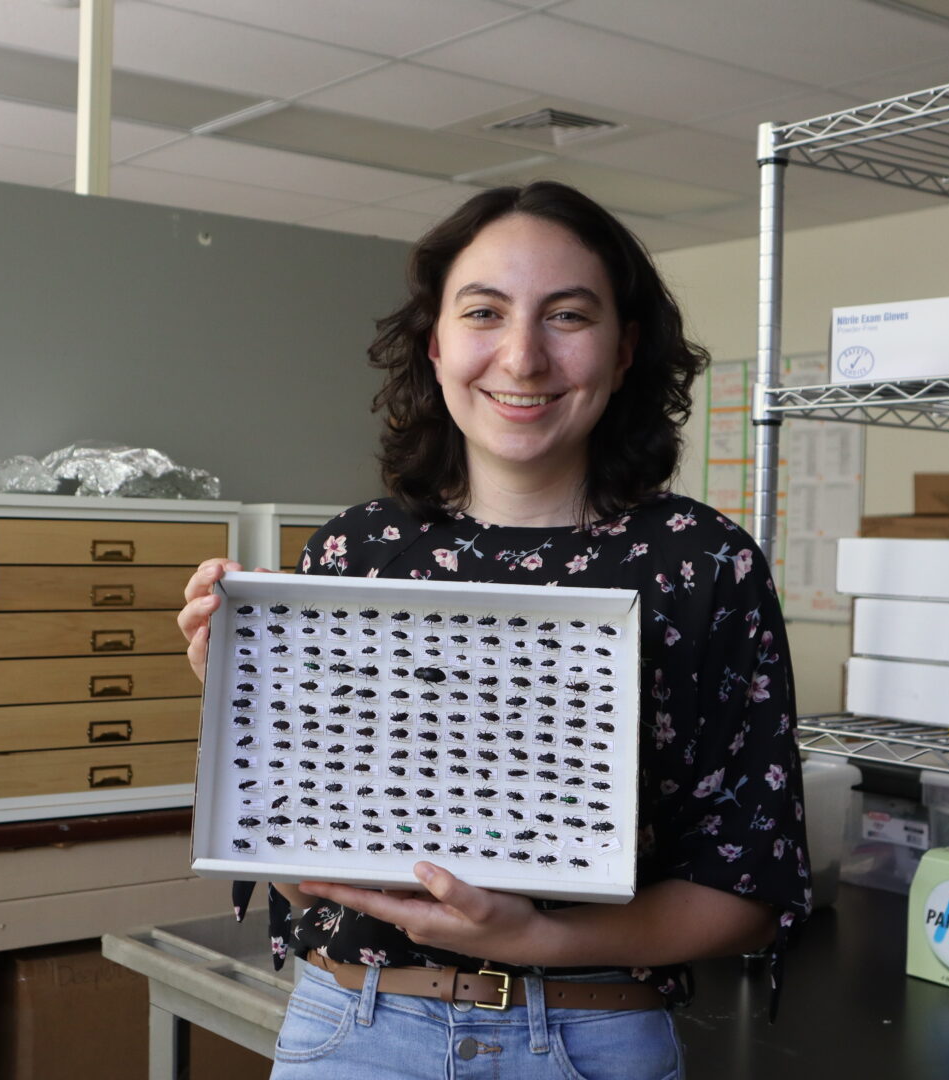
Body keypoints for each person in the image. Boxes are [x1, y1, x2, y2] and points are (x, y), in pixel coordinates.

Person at [177, 181, 810, 1079]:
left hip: (591, 1040)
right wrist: (249, 708)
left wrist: (536, 938)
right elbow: (298, 865)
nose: (521, 356)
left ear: (624, 349)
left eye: (567, 315)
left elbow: (751, 889)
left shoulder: (703, 563)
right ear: (434, 344)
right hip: (355, 1033)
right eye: (484, 312)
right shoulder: (357, 552)